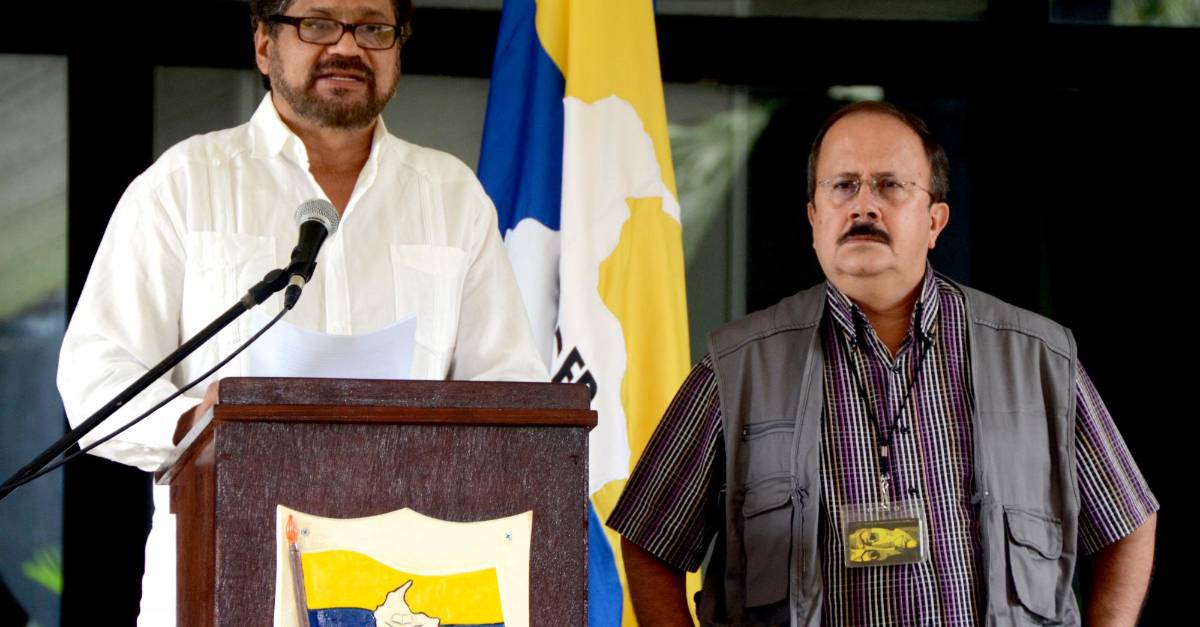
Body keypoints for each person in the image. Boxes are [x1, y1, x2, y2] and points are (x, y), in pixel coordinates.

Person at [56, 1, 546, 624]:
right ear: (265, 44)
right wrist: (198, 425)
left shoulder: (451, 197)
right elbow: (95, 379)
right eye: (317, 23)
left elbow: (511, 388)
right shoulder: (184, 185)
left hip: (406, 587)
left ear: (398, 49)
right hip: (224, 574)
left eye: (373, 28)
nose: (347, 47)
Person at [607, 101, 1158, 626]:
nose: (863, 206)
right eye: (843, 185)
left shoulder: (1038, 359)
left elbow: (1128, 520)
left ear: (936, 221)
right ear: (814, 217)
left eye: (890, 185)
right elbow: (650, 538)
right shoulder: (736, 367)